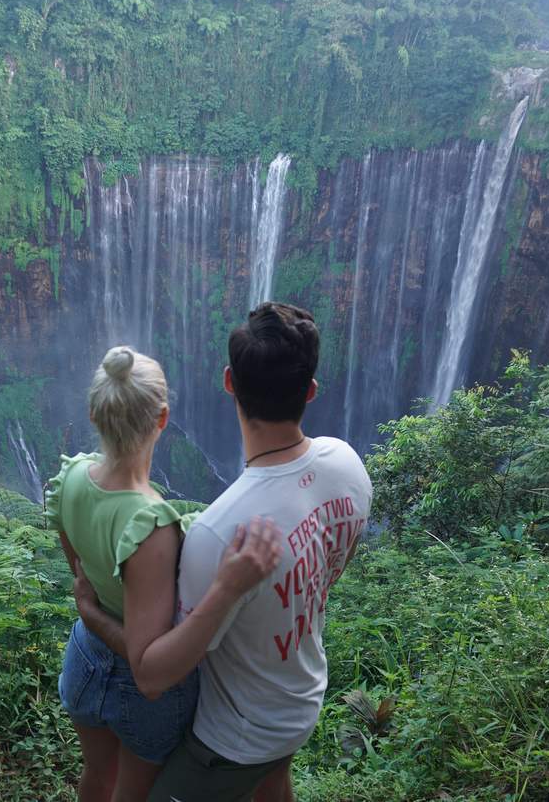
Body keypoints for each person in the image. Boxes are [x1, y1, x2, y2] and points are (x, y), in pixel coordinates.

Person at [74, 303, 373, 802]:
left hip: (238, 734)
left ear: (230, 382)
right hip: (301, 693)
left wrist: (94, 616)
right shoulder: (348, 465)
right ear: (311, 391)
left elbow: (152, 676)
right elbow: (324, 569)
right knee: (274, 783)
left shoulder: (220, 534)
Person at [47, 345, 283, 802]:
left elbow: (81, 574)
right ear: (162, 418)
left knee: (96, 776)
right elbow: (144, 662)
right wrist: (228, 586)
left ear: (94, 415)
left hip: (83, 661)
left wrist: (92, 616)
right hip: (140, 695)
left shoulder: (71, 477)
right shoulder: (151, 527)